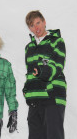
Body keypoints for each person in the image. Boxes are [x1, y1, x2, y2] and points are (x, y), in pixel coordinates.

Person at [23, 10, 67, 139]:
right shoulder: (29, 47)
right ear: (29, 28)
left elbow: (57, 66)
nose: (36, 28)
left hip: (52, 97)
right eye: (32, 25)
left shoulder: (56, 41)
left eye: (38, 23)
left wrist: (43, 71)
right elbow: (30, 73)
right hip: (34, 99)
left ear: (44, 22)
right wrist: (27, 89)